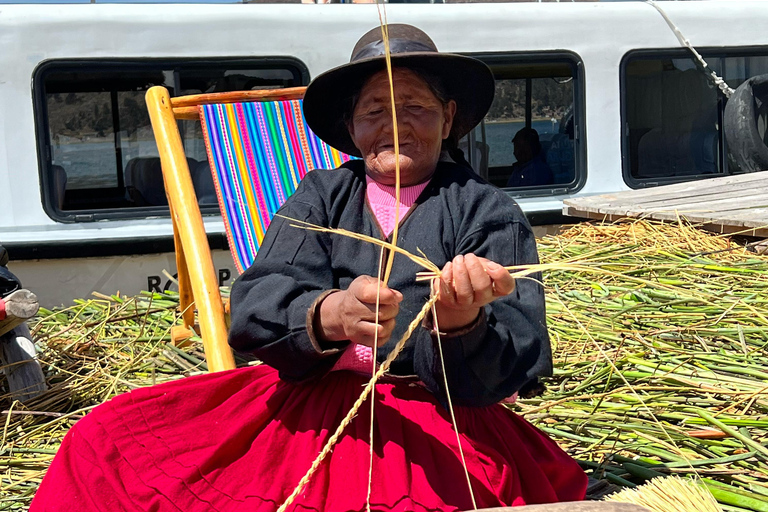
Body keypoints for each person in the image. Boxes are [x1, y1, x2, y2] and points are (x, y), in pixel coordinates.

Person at [31, 24, 587, 512]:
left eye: (415, 107)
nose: (395, 126)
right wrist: (328, 314)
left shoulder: (488, 210)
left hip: (438, 416)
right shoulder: (320, 195)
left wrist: (461, 323)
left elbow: (518, 354)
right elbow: (255, 303)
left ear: (448, 118)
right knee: (105, 441)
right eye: (374, 111)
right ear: (352, 128)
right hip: (309, 403)